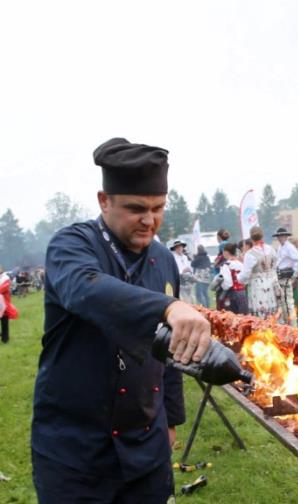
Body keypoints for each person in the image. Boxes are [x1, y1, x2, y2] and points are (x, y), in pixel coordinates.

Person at [32, 137, 212, 502]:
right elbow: (86, 289)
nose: (150, 220)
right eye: (136, 208)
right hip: (75, 450)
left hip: (146, 444)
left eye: (158, 208)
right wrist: (168, 307)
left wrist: (172, 419)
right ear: (104, 201)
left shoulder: (163, 260)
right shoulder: (72, 245)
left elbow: (172, 349)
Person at [238, 226, 280, 319]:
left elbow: (245, 275)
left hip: (257, 286)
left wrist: (238, 277)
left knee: (260, 313)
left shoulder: (250, 254)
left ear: (251, 237)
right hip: (272, 283)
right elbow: (276, 266)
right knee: (272, 312)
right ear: (262, 236)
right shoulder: (272, 249)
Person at [272, 227, 298, 326]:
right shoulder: (281, 247)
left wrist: (294, 275)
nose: (280, 238)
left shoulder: (289, 247)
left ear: (286, 236)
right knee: (282, 302)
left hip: (286, 276)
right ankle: (286, 323)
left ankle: (293, 326)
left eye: (282, 236)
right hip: (280, 276)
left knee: (288, 302)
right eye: (278, 236)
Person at [212, 242, 249, 314]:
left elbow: (227, 284)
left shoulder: (226, 265)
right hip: (243, 294)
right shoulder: (241, 264)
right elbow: (245, 279)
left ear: (226, 252)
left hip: (232, 295)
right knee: (244, 317)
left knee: (233, 318)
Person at [170, 240, 194, 304]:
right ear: (175, 249)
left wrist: (190, 271)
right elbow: (174, 270)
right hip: (179, 280)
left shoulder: (185, 257)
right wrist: (182, 271)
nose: (179, 248)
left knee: (190, 297)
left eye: (180, 247)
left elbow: (190, 267)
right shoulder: (173, 258)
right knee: (182, 298)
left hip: (188, 280)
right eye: (177, 247)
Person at [0, 265, 18, 344]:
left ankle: (5, 339)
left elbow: (2, 289)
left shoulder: (5, 279)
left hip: (3, 304)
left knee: (4, 323)